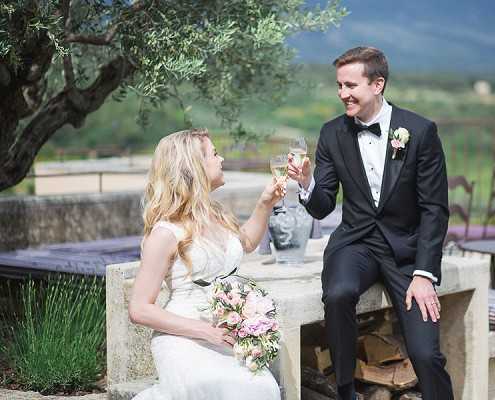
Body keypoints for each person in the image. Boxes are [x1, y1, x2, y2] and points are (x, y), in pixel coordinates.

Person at [288, 47, 454, 400]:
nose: (342, 94)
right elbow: (321, 207)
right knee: (338, 293)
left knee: (426, 353)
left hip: (407, 252)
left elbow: (434, 210)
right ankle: (346, 390)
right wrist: (306, 184)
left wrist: (424, 273)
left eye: (350, 85)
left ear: (378, 84)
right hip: (356, 243)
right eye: (338, 85)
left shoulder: (420, 131)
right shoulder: (332, 133)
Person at [129, 128, 284, 400]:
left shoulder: (216, 213)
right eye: (214, 153)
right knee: (224, 388)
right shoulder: (165, 233)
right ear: (194, 166)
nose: (221, 158)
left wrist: (265, 204)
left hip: (225, 337)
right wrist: (205, 331)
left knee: (264, 388)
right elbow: (139, 309)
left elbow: (245, 243)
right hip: (184, 339)